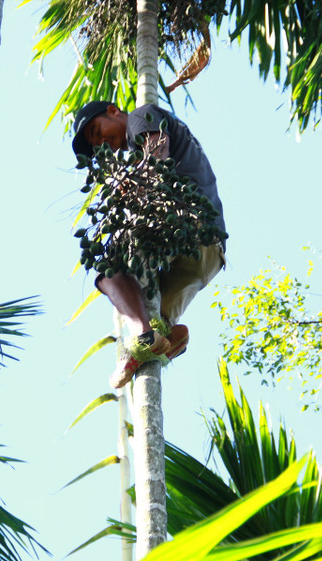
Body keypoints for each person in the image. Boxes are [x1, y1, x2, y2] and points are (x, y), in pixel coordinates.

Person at [71, 101, 227, 388]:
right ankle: (159, 338)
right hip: (210, 253)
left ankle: (142, 335)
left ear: (113, 110)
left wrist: (134, 189)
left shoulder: (140, 116)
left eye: (97, 131)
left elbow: (157, 157)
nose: (101, 143)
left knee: (109, 274)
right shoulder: (144, 145)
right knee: (157, 320)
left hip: (183, 224)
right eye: (95, 145)